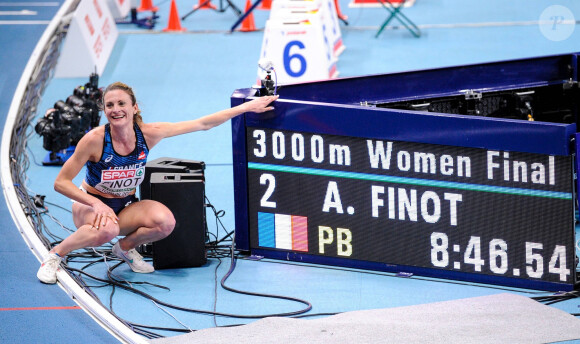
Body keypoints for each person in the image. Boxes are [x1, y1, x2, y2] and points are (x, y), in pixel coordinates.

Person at [37, 82, 278, 284]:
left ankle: (125, 248)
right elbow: (61, 183)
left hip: (125, 205)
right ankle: (55, 255)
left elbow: (203, 123)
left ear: (134, 107)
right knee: (107, 228)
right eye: (109, 105)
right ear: (105, 111)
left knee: (165, 223)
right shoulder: (94, 140)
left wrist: (247, 107)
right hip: (90, 207)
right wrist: (96, 204)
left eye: (122, 104)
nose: (116, 109)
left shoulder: (149, 134)